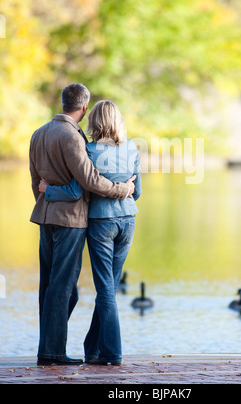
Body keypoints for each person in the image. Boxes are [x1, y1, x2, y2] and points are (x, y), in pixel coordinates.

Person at [29, 83, 135, 366]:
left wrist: (46, 200)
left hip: (45, 217)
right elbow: (88, 181)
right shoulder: (73, 137)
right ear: (84, 107)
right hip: (71, 221)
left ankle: (48, 347)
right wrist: (121, 190)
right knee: (63, 287)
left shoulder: (38, 134)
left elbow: (35, 182)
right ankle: (52, 352)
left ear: (63, 102)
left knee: (52, 286)